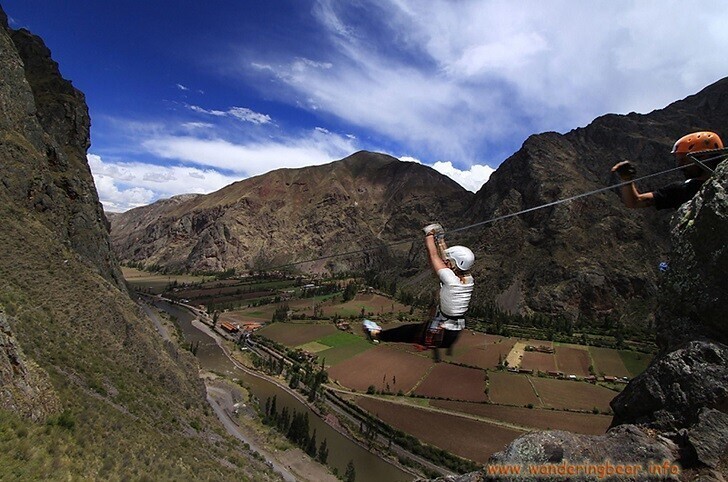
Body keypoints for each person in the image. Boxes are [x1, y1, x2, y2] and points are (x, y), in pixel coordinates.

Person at [363, 223, 475, 361]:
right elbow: (447, 259)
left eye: (450, 262)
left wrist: (429, 235)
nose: (446, 262)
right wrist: (440, 240)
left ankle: (375, 335)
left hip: (444, 331)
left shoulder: (451, 281)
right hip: (451, 331)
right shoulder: (468, 279)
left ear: (455, 264)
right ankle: (380, 335)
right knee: (409, 332)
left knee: (403, 333)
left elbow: (433, 256)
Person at [611, 131, 725, 209]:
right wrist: (627, 180)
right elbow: (635, 202)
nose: (680, 166)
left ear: (704, 156)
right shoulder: (681, 189)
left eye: (684, 160)